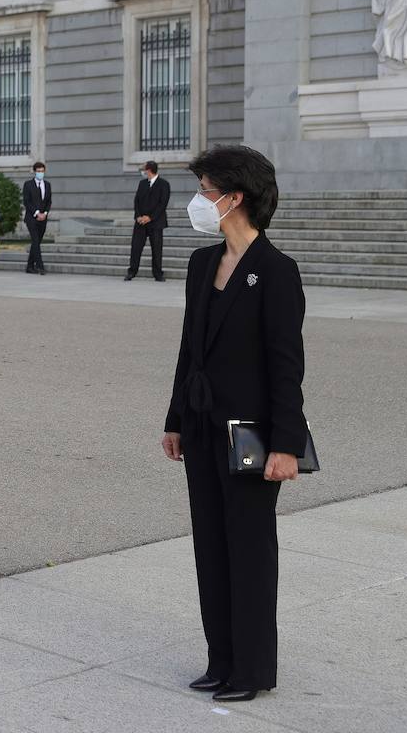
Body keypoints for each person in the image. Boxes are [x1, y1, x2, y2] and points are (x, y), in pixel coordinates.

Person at [162, 145, 306, 703]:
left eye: (205, 190)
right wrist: (175, 419)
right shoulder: (204, 263)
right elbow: (187, 352)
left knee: (248, 553)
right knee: (211, 550)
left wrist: (286, 445)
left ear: (234, 197)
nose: (198, 200)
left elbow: (286, 367)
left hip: (251, 436)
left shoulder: (276, 272)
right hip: (200, 429)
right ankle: (220, 660)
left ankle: (252, 669)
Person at [127, 160, 170, 282]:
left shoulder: (164, 184)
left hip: (156, 223)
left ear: (149, 170)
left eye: (145, 168)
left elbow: (163, 203)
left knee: (156, 249)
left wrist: (150, 217)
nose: (143, 171)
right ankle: (132, 272)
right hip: (140, 223)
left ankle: (158, 274)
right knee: (136, 248)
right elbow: (137, 201)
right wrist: (138, 216)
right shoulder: (142, 184)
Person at [22, 162, 52, 275]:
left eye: (42, 171)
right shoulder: (28, 184)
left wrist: (45, 213)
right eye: (38, 171)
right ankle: (40, 266)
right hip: (31, 218)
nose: (40, 173)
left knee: (37, 242)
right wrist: (37, 213)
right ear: (34, 172)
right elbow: (27, 201)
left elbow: (48, 201)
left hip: (43, 218)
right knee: (35, 240)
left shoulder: (47, 185)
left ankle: (29, 266)